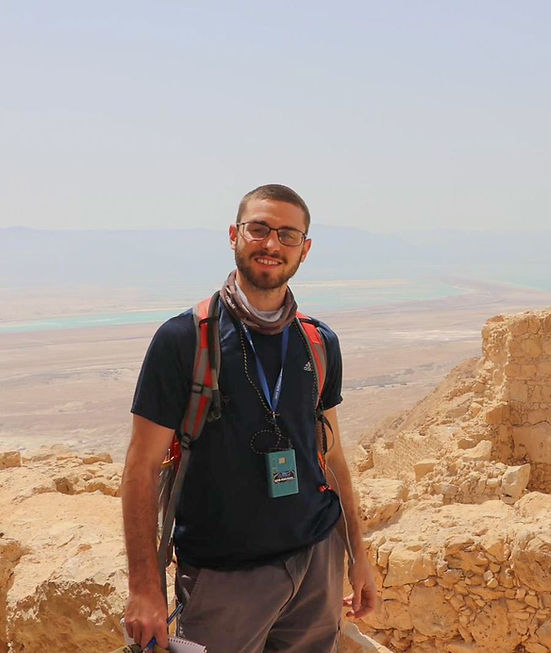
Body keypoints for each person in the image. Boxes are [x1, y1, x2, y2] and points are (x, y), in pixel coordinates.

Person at [121, 184, 377, 652]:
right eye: (259, 229)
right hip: (224, 577)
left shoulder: (318, 343)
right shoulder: (183, 340)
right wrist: (144, 587)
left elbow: (333, 458)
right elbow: (140, 469)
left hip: (316, 562)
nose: (272, 244)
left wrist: (358, 556)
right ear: (235, 234)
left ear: (306, 248)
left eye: (288, 235)